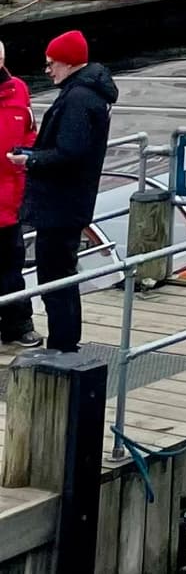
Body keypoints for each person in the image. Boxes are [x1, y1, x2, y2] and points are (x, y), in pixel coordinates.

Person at [12, 31, 117, 353]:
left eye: (51, 63)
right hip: (70, 203)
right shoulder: (89, 94)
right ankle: (65, 343)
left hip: (60, 206)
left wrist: (30, 160)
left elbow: (70, 153)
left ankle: (62, 347)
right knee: (62, 277)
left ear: (68, 62)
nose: (47, 70)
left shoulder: (77, 99)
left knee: (56, 280)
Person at [0, 48, 32, 347]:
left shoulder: (18, 90)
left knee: (12, 267)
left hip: (10, 199)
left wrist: (26, 160)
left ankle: (18, 326)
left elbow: (30, 134)